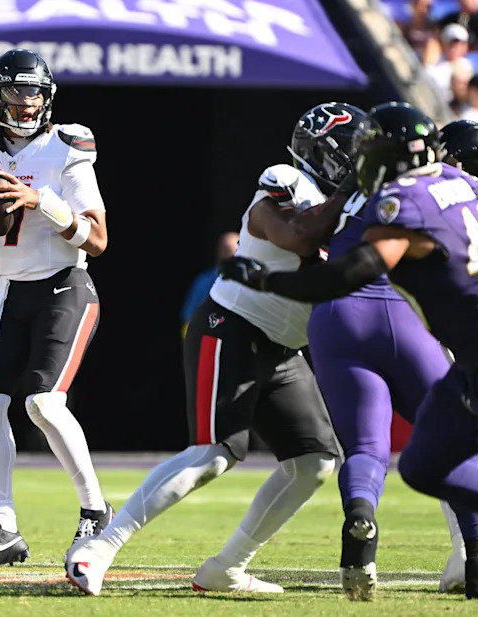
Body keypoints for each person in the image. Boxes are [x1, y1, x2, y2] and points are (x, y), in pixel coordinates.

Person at [218, 101, 478, 599]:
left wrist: (266, 278)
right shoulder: (465, 184)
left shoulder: (402, 201)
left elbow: (352, 270)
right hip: (465, 352)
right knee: (423, 465)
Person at [66, 103, 352, 597]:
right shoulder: (288, 182)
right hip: (234, 326)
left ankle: (227, 567)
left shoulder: (359, 204)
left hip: (285, 347)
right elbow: (298, 236)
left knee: (316, 462)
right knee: (214, 453)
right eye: (354, 154)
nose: (361, 162)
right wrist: (354, 195)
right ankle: (100, 547)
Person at [305, 118, 478, 601]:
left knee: (366, 448)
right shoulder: (459, 184)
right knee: (462, 443)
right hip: (404, 313)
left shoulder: (361, 190)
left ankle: (360, 518)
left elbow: (305, 237)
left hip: (334, 315)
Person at [0, 48, 112, 574]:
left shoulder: (67, 145)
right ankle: (4, 530)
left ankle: (94, 510)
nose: (27, 102)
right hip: (8, 289)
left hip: (64, 285)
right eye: (17, 91)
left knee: (42, 402)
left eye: (35, 92)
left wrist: (39, 199)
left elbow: (99, 239)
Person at [180, 232, 238, 336]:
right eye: (226, 251)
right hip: (208, 340)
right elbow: (188, 318)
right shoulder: (204, 282)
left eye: (233, 251)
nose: (229, 256)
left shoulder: (253, 283)